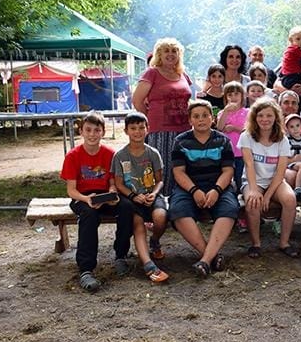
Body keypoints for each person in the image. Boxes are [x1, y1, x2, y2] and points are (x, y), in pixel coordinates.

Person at [61, 112, 133, 292]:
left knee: (126, 207)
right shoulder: (73, 156)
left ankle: (121, 255)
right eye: (88, 130)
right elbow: (71, 190)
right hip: (82, 197)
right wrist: (87, 199)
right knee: (89, 214)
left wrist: (112, 194)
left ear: (103, 132)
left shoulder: (110, 154)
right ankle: (86, 269)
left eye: (97, 130)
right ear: (81, 131)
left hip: (104, 195)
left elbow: (112, 182)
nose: (92, 134)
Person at [169, 100, 238, 277]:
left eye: (205, 115)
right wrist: (194, 191)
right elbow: (178, 172)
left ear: (212, 119)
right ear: (190, 120)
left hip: (218, 185)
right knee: (177, 211)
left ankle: (205, 261)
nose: (201, 119)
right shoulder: (180, 141)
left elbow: (228, 171)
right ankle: (211, 256)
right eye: (196, 116)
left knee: (229, 209)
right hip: (188, 187)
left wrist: (216, 190)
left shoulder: (223, 140)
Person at [112, 112, 169, 283]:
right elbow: (119, 183)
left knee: (161, 217)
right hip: (132, 199)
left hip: (152, 195)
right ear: (126, 131)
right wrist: (133, 196)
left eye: (141, 127)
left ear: (147, 129)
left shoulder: (153, 153)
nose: (137, 131)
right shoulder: (120, 156)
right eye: (133, 128)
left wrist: (154, 193)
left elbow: (160, 180)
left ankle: (155, 241)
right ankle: (148, 264)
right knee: (138, 224)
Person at [238, 99, 299, 258]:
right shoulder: (247, 136)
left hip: (275, 181)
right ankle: (256, 244)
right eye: (260, 115)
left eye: (269, 115)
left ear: (275, 117)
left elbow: (281, 171)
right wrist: (253, 190)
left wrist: (268, 195)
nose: (265, 119)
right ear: (254, 117)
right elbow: (249, 164)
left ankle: (284, 242)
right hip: (253, 180)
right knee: (252, 203)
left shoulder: (282, 139)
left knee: (290, 199)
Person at [132, 38, 192, 196]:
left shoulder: (183, 75)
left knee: (183, 168)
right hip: (161, 131)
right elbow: (137, 100)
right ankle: (159, 203)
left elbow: (188, 100)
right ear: (159, 54)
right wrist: (150, 119)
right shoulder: (152, 73)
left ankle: (180, 203)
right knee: (162, 169)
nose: (171, 54)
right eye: (166, 51)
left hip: (184, 130)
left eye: (174, 51)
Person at [216, 81, 249, 192]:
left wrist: (234, 128)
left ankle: (240, 193)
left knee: (239, 177)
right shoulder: (222, 113)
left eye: (236, 94)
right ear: (225, 97)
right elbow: (219, 127)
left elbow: (248, 130)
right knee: (226, 177)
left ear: (242, 96)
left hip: (241, 152)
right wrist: (226, 111)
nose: (233, 97)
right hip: (227, 151)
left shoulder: (247, 112)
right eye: (230, 94)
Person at [280, 26, 301, 93]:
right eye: (298, 39)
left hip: (286, 77)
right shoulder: (295, 49)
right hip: (292, 76)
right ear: (291, 39)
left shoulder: (289, 49)